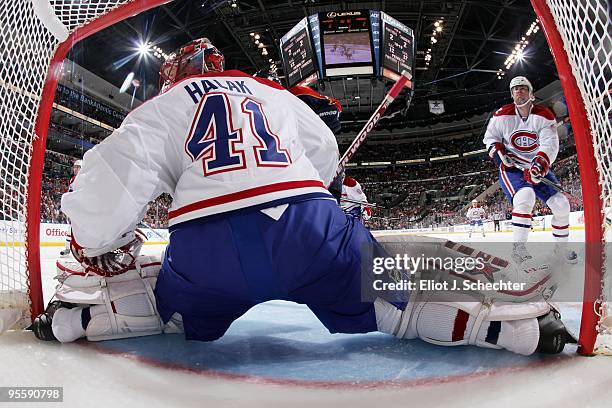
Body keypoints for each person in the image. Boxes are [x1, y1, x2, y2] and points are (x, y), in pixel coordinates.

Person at [32, 38, 575, 355]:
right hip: (308, 227)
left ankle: (73, 322)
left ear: (172, 75)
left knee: (162, 299)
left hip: (211, 247)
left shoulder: (159, 107)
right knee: (389, 293)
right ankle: (518, 327)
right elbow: (321, 155)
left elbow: (111, 183)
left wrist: (94, 240)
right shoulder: (271, 93)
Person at [483, 76, 575, 263]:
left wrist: (539, 165)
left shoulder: (544, 115)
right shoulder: (501, 115)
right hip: (513, 168)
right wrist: (501, 154)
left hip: (537, 165)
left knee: (561, 205)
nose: (519, 91)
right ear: (512, 93)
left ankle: (561, 249)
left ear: (531, 93)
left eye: (524, 88)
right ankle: (518, 250)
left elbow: (549, 143)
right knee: (525, 197)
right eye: (515, 88)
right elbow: (490, 138)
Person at [59, 159, 82, 257]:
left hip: (82, 209)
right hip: (76, 210)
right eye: (74, 167)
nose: (75, 169)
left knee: (75, 229)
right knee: (71, 229)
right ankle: (69, 248)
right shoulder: (73, 179)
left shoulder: (83, 179)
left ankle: (72, 249)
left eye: (77, 167)